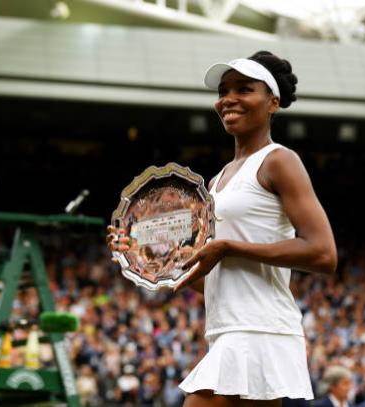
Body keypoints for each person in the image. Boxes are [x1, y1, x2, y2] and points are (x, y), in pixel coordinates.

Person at [108, 50, 337, 406]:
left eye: (244, 89)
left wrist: (229, 248)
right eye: (223, 90)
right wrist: (142, 255)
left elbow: (323, 254)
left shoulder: (280, 160)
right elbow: (213, 278)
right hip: (232, 330)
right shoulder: (215, 182)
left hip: (257, 331)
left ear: (272, 102)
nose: (228, 99)